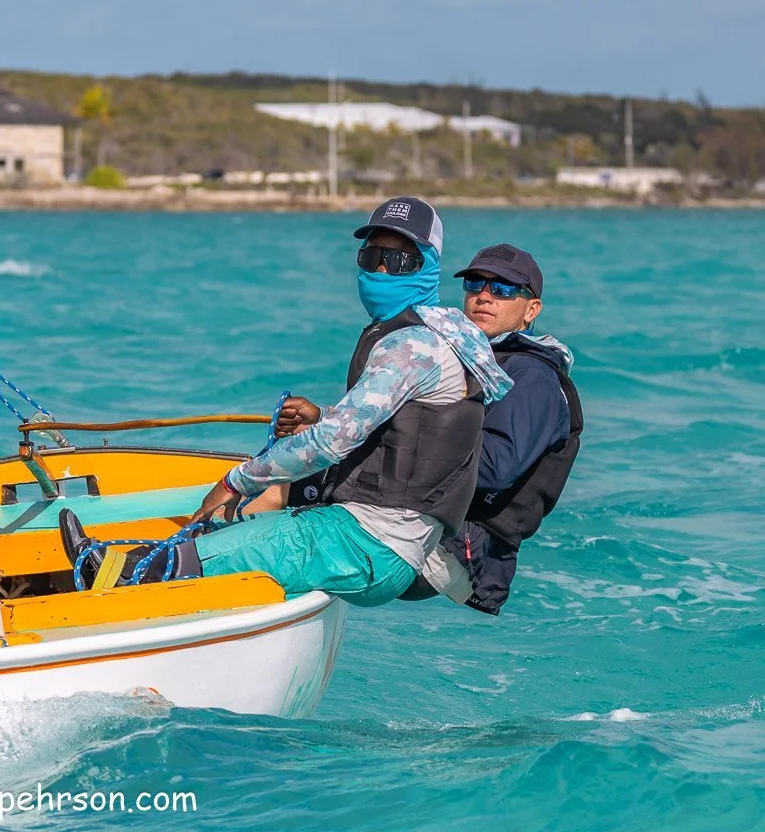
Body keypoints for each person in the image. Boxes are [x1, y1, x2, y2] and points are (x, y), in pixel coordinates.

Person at [60, 197, 512, 606]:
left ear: (427, 267)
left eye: (397, 260)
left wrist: (236, 482)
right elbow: (399, 427)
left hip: (371, 542)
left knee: (208, 551)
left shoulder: (413, 344)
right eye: (371, 257)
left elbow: (334, 441)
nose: (380, 270)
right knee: (238, 532)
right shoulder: (442, 334)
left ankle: (117, 578)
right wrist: (324, 414)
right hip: (375, 537)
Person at [405, 244, 583, 613]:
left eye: (502, 289)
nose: (484, 296)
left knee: (300, 508)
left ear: (531, 310)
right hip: (430, 520)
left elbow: (494, 467)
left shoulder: (532, 376)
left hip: (462, 547)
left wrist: (401, 438)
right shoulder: (476, 359)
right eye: (475, 284)